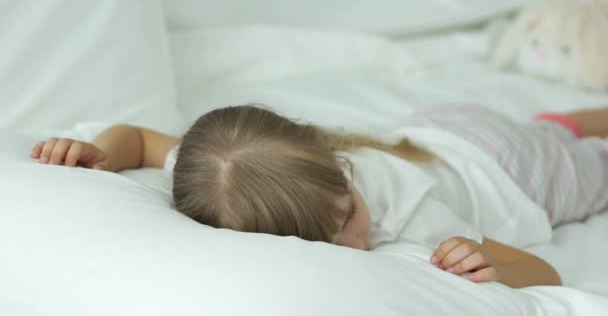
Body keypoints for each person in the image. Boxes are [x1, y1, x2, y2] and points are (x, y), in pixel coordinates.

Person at [29, 104, 608, 288]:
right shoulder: (220, 175)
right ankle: (564, 121)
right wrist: (102, 156)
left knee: (592, 165)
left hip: (511, 170)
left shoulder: (411, 216)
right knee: (552, 127)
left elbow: (545, 274)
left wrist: (491, 265)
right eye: (331, 240)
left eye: (350, 215)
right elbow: (139, 140)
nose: (357, 240)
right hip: (444, 130)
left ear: (339, 166)